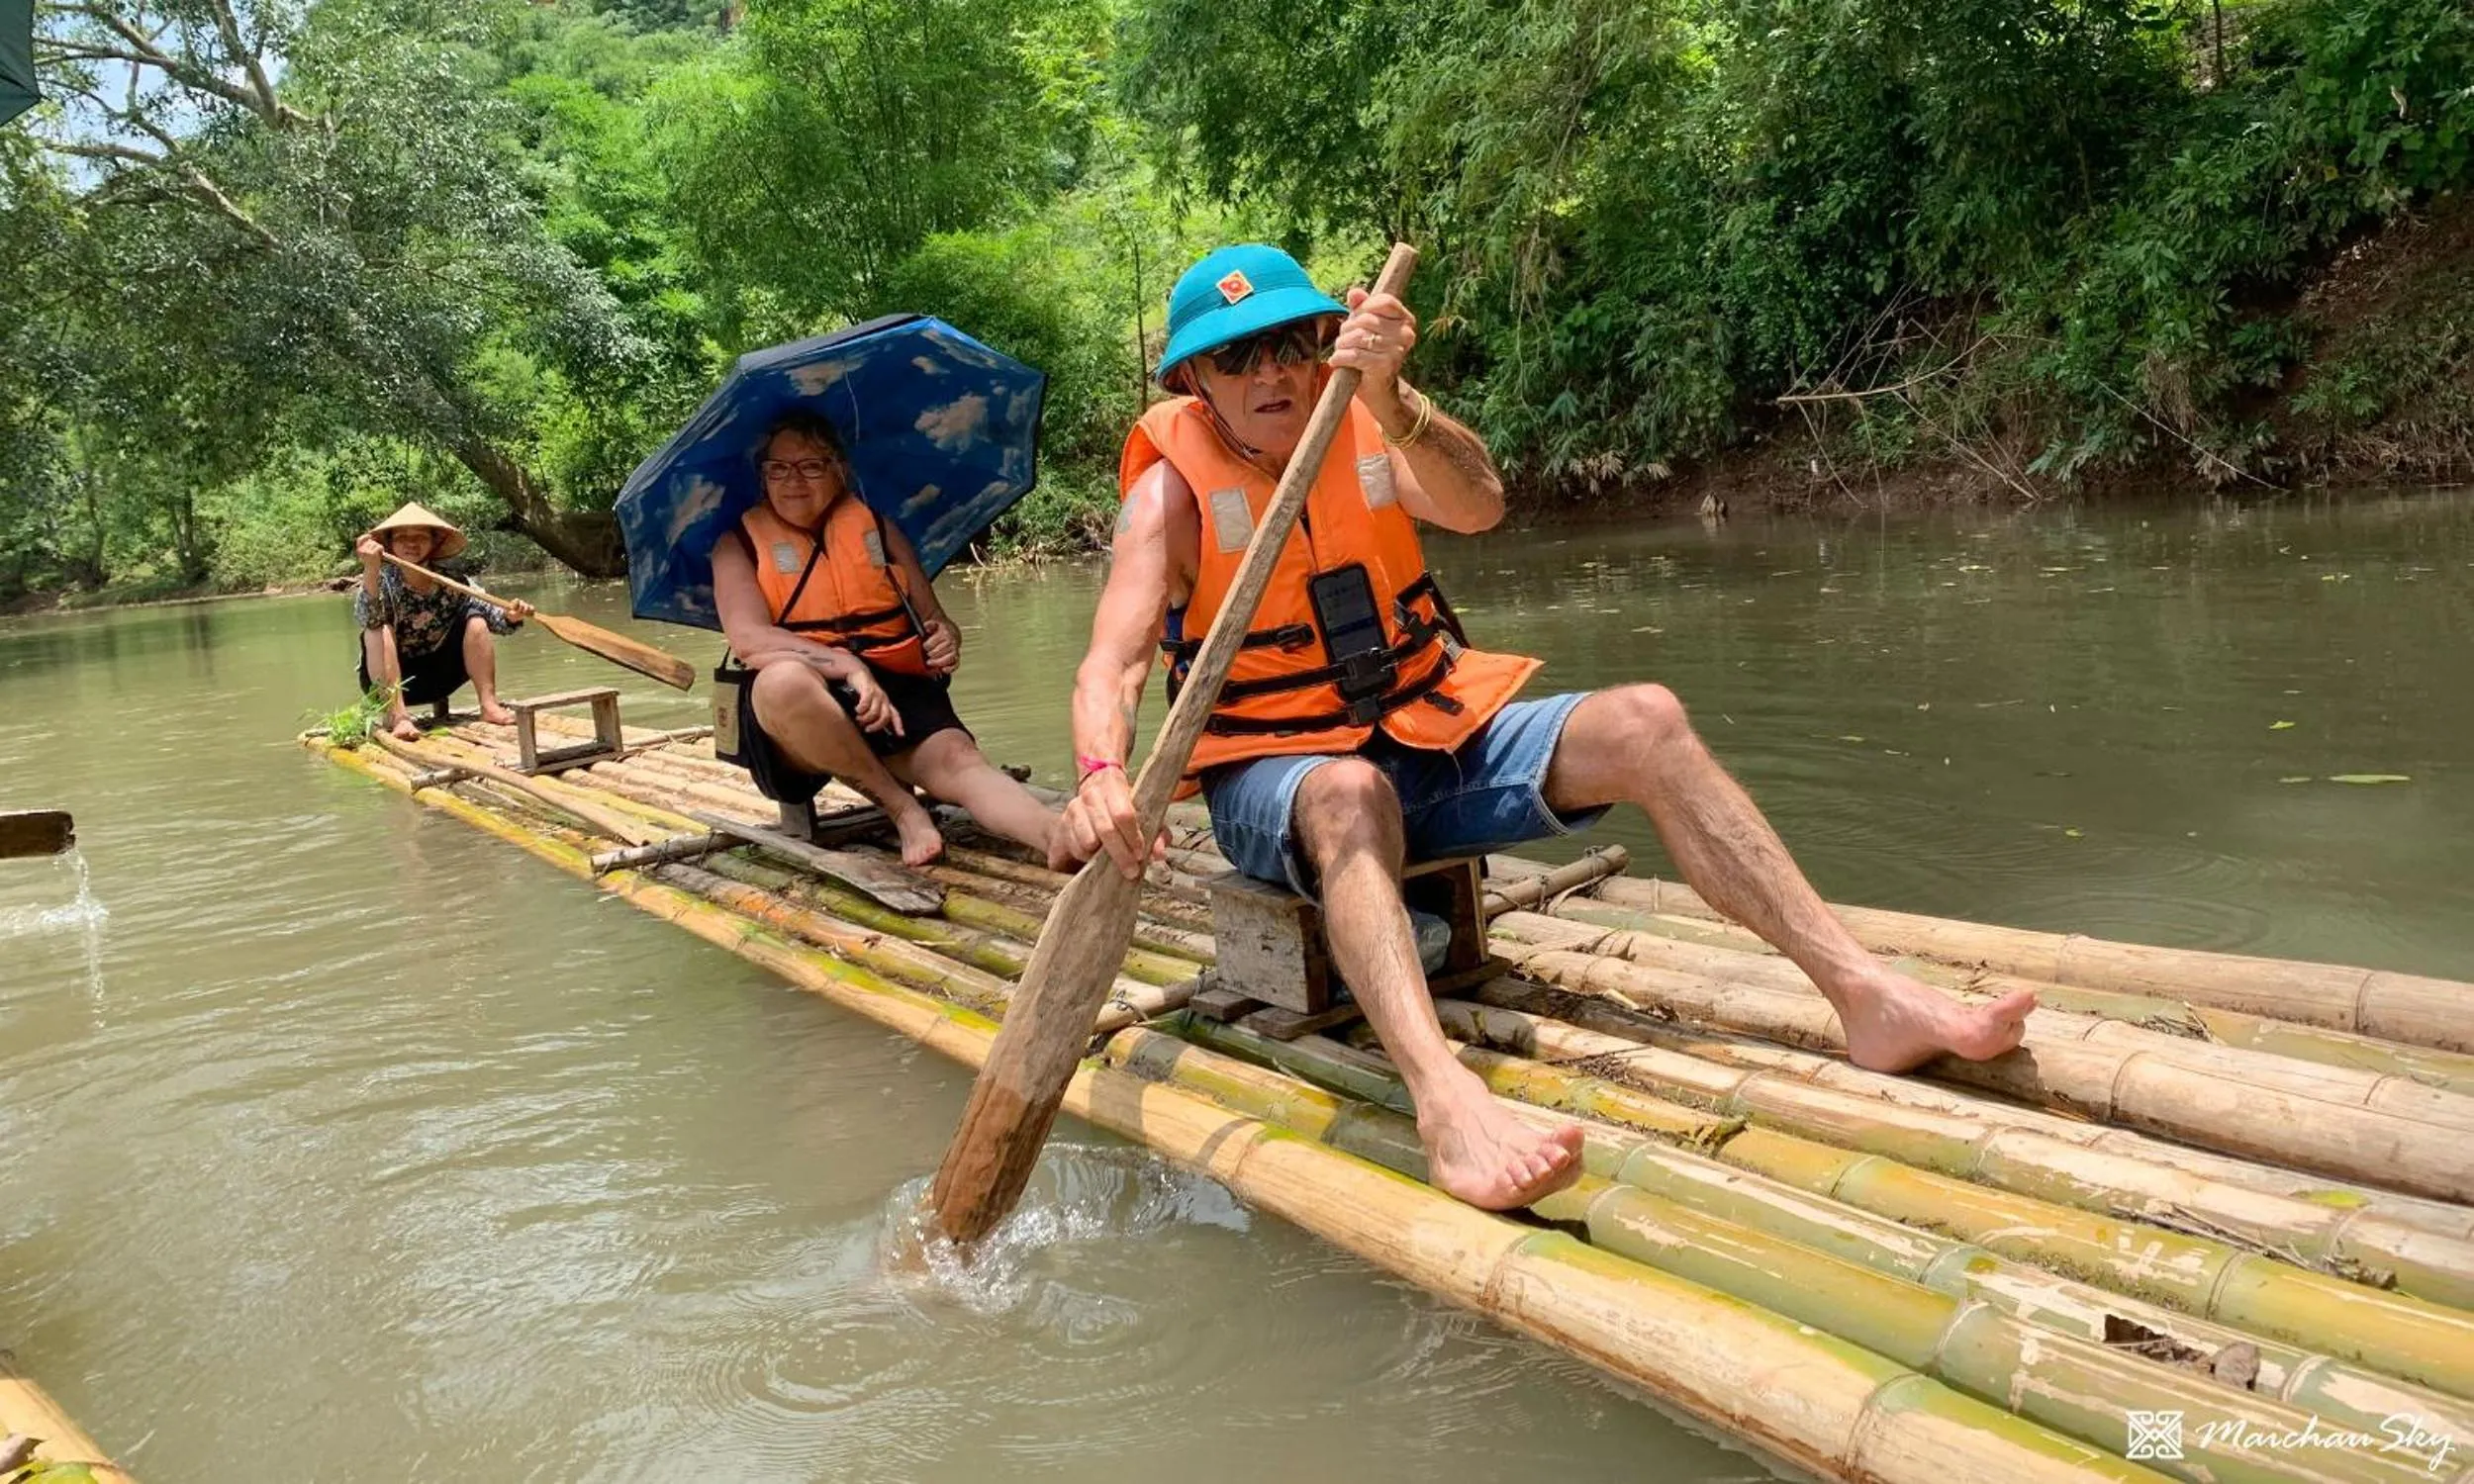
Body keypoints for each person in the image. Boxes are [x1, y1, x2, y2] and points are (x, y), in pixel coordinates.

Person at [1053, 244, 2038, 1212]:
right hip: (1281, 779)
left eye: (1292, 342)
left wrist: (1394, 396)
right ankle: (1445, 1100)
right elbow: (1115, 661)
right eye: (1236, 358)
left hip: (1419, 740)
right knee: (1349, 790)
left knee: (1645, 718)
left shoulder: (1367, 424)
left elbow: (1479, 507)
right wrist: (1101, 768)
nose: (1271, 371)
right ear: (1193, 379)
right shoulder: (1169, 494)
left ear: (1325, 341)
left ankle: (1864, 992)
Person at [709, 409, 1058, 868]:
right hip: (794, 724)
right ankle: (903, 809)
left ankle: (1055, 836)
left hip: (892, 698)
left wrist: (944, 638)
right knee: (783, 680)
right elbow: (749, 639)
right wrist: (847, 667)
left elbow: (935, 618)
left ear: (840, 470)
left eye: (811, 465)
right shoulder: (737, 543)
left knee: (958, 759)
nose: (793, 480)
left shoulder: (877, 528)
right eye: (778, 468)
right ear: (763, 477)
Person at [353, 503, 534, 741]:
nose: (411, 543)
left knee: (475, 619)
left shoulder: (454, 582)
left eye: (420, 537)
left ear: (434, 542)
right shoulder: (382, 582)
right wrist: (371, 570)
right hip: (389, 685)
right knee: (378, 628)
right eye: (402, 538)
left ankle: (489, 706)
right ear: (390, 545)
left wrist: (512, 614)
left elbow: (496, 619)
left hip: (440, 677)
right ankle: (397, 716)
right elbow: (366, 618)